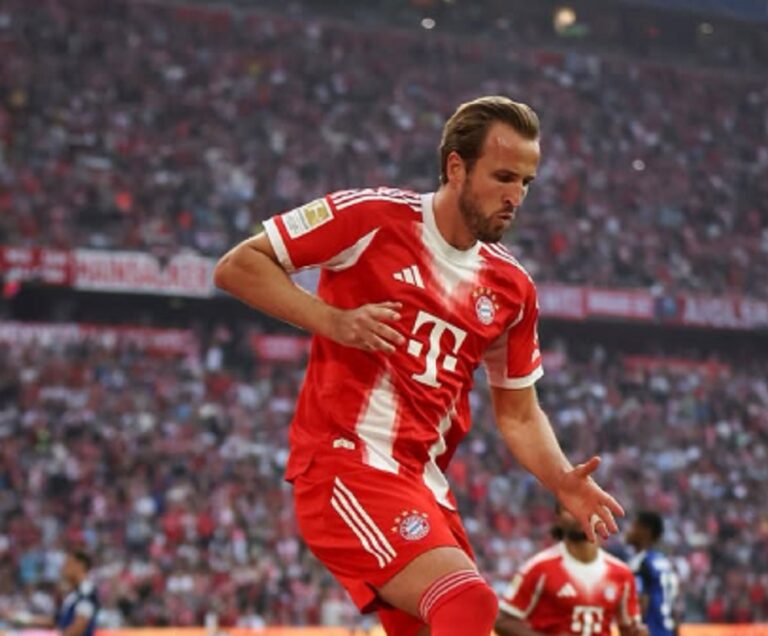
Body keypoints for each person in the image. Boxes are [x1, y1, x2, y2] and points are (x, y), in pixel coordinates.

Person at [214, 95, 624, 636]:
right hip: (346, 462)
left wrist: (562, 480)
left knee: (463, 623)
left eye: (526, 182)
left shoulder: (513, 288)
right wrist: (332, 320)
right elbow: (238, 265)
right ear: (456, 167)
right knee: (467, 603)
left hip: (422, 484)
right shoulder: (372, 217)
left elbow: (520, 414)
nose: (516, 196)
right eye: (503, 177)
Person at [495, 505, 647, 636]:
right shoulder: (538, 568)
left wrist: (639, 632)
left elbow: (629, 628)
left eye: (588, 507)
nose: (580, 513)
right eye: (570, 508)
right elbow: (502, 621)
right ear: (558, 518)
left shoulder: (622, 574)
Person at [1, 550, 99, 636]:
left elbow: (77, 629)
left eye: (68, 564)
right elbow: (55, 621)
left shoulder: (86, 593)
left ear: (80, 566)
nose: (63, 569)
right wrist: (19, 618)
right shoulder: (73, 594)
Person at [626, 511, 680, 636]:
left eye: (633, 526)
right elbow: (675, 610)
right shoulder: (666, 563)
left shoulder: (641, 563)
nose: (629, 530)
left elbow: (640, 607)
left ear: (645, 531)